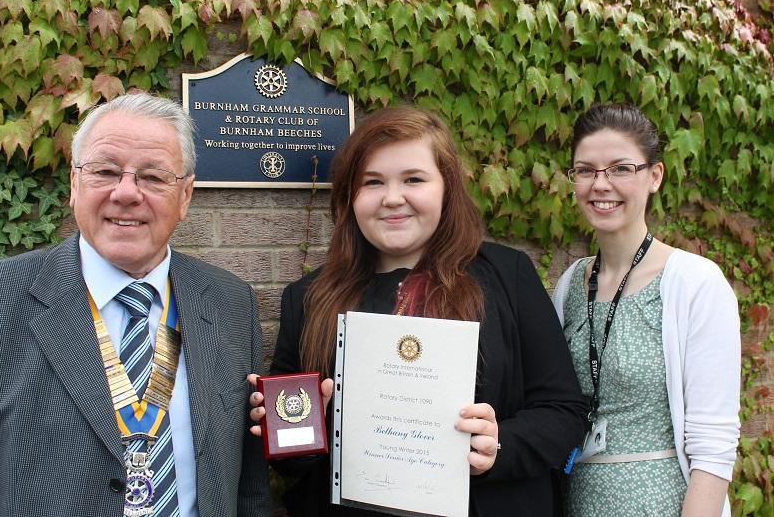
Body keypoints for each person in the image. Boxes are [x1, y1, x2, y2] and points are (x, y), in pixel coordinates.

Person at [249, 106, 589, 516]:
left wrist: (499, 444)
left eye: (413, 179)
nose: (393, 198)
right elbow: (291, 460)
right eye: (373, 182)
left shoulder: (507, 276)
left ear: (446, 187)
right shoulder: (309, 298)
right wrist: (301, 426)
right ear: (350, 197)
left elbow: (564, 411)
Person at [0, 93, 271, 516]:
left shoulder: (230, 301)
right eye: (106, 171)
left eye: (153, 177)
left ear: (185, 196)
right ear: (75, 185)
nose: (127, 193)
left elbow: (249, 489)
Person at [552, 103, 740, 517]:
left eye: (620, 168)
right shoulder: (569, 286)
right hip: (575, 502)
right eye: (585, 170)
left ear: (654, 176)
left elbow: (714, 444)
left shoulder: (696, 284)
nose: (600, 184)